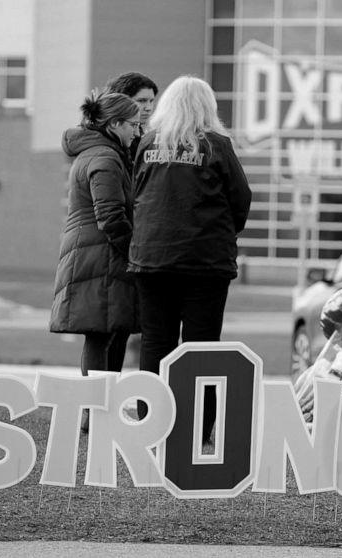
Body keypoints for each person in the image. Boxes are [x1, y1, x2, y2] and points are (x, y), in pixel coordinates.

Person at [129, 76, 251, 447]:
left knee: (155, 342)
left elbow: (137, 193)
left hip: (151, 259)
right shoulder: (216, 146)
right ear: (207, 107)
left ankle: (151, 424)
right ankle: (198, 430)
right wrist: (223, 232)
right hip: (204, 261)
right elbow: (240, 198)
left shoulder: (148, 143)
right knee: (200, 347)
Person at [50, 90, 142, 429]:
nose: (137, 131)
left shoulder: (98, 152)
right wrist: (135, 254)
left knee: (102, 333)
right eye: (133, 124)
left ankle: (96, 410)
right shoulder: (105, 158)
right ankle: (94, 412)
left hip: (91, 252)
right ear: (115, 124)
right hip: (99, 256)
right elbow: (111, 217)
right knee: (100, 334)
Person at [105, 72, 158, 160]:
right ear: (121, 101)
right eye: (141, 101)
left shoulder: (138, 136)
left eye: (151, 101)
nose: (148, 108)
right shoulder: (107, 145)